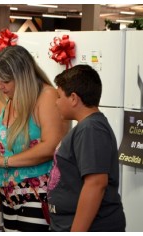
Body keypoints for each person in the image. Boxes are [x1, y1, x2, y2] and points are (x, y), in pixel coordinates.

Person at [0, 45, 69, 232]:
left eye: (6, 81)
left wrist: (6, 161)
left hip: (38, 193)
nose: (0, 86)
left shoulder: (46, 95)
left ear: (23, 77)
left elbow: (50, 146)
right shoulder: (7, 101)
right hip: (8, 193)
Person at [47, 64, 126, 232]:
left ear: (74, 98)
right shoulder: (86, 127)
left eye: (59, 96)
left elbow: (96, 184)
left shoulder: (91, 129)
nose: (56, 103)